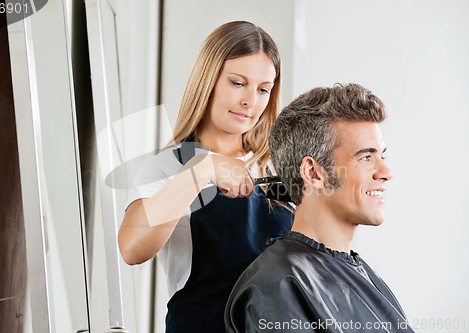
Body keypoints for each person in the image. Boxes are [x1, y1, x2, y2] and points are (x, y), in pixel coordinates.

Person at [118, 21, 293, 333]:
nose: (250, 101)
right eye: (238, 83)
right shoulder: (167, 167)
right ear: (207, 80)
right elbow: (132, 249)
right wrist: (202, 170)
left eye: (263, 89)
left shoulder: (275, 170)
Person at [225, 83, 416, 333]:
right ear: (314, 173)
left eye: (382, 156)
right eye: (365, 157)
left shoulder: (362, 275)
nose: (386, 172)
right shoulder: (277, 287)